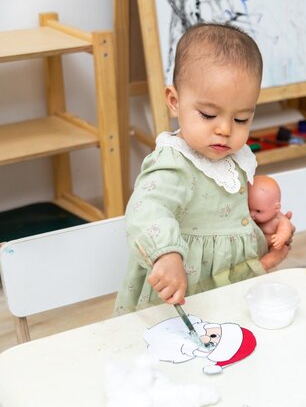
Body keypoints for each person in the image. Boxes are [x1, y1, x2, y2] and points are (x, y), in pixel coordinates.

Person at [114, 23, 292, 314]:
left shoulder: (237, 157)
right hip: (184, 295)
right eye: (208, 115)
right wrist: (166, 253)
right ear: (174, 101)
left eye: (241, 119)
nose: (224, 129)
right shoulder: (174, 163)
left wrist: (272, 225)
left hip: (234, 286)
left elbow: (235, 216)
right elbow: (145, 208)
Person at [247, 175, 293, 250]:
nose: (252, 214)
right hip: (258, 247)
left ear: (276, 208)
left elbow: (285, 229)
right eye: (249, 209)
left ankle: (265, 261)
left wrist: (280, 237)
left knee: (280, 251)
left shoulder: (279, 220)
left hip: (273, 246)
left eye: (258, 211)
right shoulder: (254, 220)